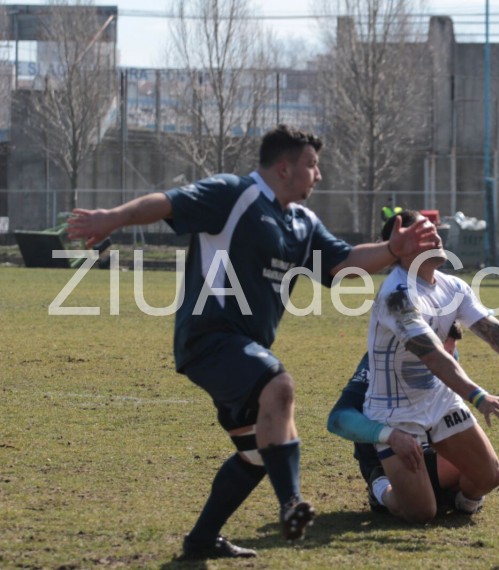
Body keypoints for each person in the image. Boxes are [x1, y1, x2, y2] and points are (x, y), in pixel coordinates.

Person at [66, 125, 437, 559]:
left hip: (246, 351)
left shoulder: (303, 222)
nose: (318, 175)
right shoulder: (233, 194)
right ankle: (292, 503)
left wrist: (393, 248)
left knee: (260, 451)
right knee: (279, 387)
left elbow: (344, 265)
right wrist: (111, 217)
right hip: (208, 337)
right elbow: (167, 203)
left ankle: (202, 540)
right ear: (284, 168)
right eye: (311, 165)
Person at [362, 209, 499, 523]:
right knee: (420, 512)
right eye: (425, 234)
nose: (437, 236)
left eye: (435, 230)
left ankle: (461, 504)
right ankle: (380, 485)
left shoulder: (452, 286)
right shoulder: (397, 296)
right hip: (396, 410)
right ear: (400, 247)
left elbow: (492, 330)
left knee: (489, 477)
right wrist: (479, 397)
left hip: (440, 400)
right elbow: (434, 357)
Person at [327, 322, 465, 514]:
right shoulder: (379, 361)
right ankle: (382, 491)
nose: (449, 358)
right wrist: (389, 436)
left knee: (478, 465)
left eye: (452, 351)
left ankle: (451, 498)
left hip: (426, 450)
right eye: (443, 351)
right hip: (385, 459)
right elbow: (338, 417)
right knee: (419, 510)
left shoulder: (445, 358)